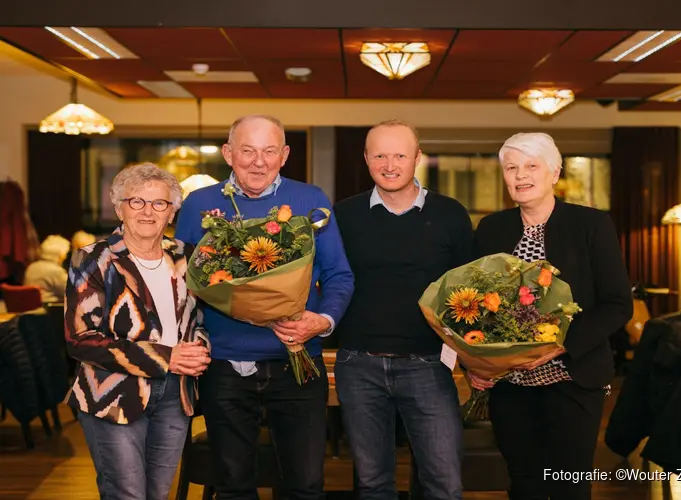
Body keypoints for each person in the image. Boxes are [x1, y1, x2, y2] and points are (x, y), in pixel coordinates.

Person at [175, 115, 354, 500]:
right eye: (248, 151)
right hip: (222, 365)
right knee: (233, 486)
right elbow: (181, 281)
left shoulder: (311, 200)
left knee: (305, 485)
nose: (259, 162)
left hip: (298, 359)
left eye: (269, 151)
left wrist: (320, 321)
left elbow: (339, 275)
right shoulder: (198, 205)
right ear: (228, 154)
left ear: (284, 155)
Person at [470, 133, 633, 500]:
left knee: (567, 485)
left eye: (531, 166)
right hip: (510, 385)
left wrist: (558, 346)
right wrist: (476, 363)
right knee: (523, 481)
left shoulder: (591, 225)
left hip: (571, 378)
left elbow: (617, 304)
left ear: (554, 173)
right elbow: (477, 305)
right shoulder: (491, 228)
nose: (520, 175)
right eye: (511, 168)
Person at [333, 119, 473, 500]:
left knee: (444, 484)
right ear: (366, 158)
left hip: (429, 365)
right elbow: (326, 282)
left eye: (400, 154)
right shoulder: (343, 216)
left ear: (417, 158)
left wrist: (474, 357)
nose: (389, 164)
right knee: (373, 484)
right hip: (358, 364)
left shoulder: (450, 214)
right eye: (379, 154)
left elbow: (470, 293)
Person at [65, 162, 211, 500]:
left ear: (171, 212)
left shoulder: (186, 256)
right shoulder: (93, 259)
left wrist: (199, 348)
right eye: (136, 202)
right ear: (119, 207)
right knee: (126, 493)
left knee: (158, 493)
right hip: (114, 393)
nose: (148, 211)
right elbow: (81, 339)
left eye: (159, 203)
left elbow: (200, 319)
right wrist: (167, 357)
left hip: (176, 394)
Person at [23, 234, 70, 302]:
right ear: (60, 256)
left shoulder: (32, 267)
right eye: (65, 254)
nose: (65, 257)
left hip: (28, 308)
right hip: (49, 309)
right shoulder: (55, 271)